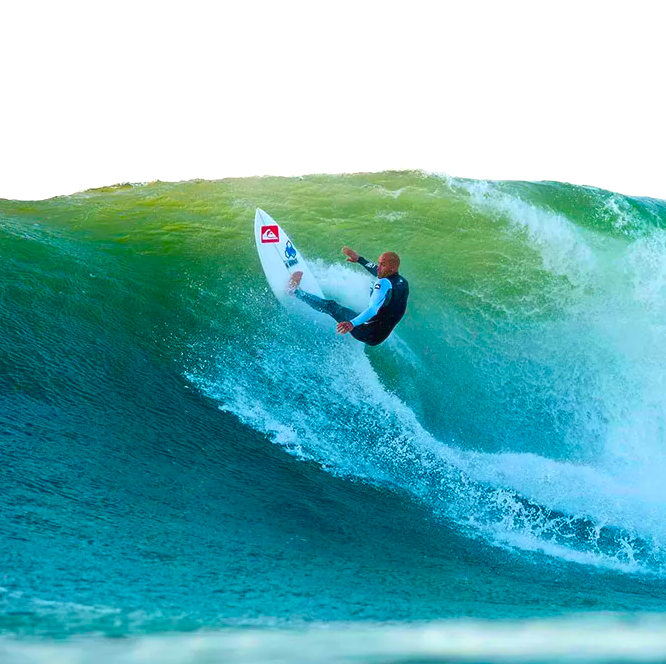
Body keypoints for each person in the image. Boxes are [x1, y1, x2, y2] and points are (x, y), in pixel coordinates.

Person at [287, 246, 409, 346]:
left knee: (332, 306)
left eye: (382, 264)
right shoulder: (402, 282)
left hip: (366, 332)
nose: (378, 268)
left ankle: (295, 292)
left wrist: (352, 324)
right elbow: (379, 271)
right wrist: (359, 259)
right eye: (379, 263)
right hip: (378, 336)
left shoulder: (383, 283)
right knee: (375, 303)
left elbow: (372, 309)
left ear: (392, 267)